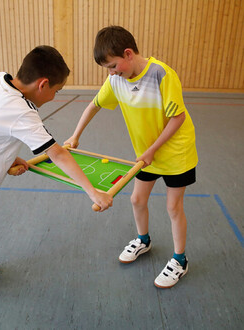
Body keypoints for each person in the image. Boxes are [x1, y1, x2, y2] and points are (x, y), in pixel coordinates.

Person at [0, 45, 113, 290]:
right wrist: (93, 191)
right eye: (57, 90)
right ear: (43, 84)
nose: (55, 97)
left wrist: (9, 159)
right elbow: (58, 154)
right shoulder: (22, 113)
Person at [65, 26, 198, 288]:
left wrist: (151, 150)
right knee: (137, 199)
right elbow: (95, 105)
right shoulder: (116, 80)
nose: (112, 73)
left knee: (173, 207)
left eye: (114, 66)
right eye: (108, 69)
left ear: (128, 54)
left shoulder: (161, 74)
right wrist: (75, 135)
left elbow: (178, 117)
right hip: (146, 155)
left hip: (175, 152)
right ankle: (143, 240)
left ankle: (180, 260)